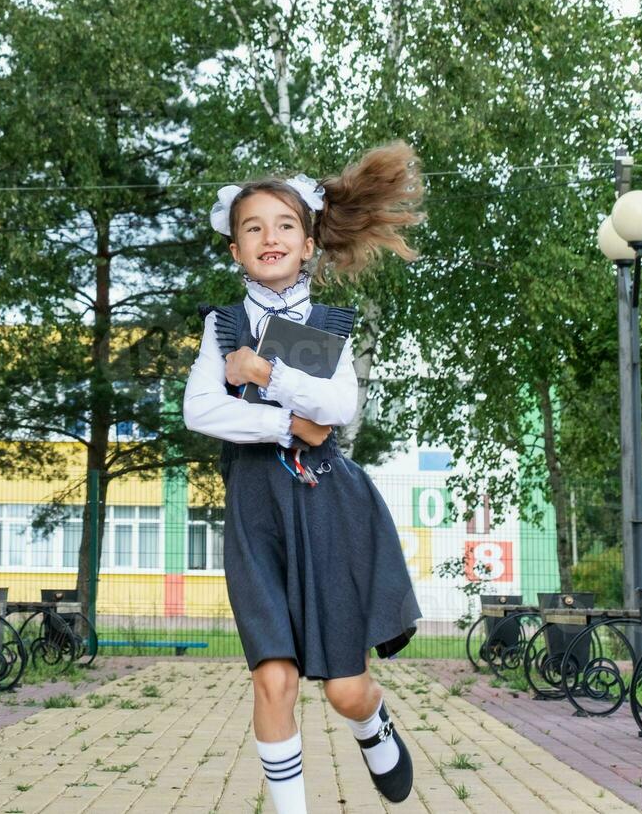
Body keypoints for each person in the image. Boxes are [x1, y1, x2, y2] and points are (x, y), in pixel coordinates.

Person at [183, 142, 428, 812]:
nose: (269, 236)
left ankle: (371, 725)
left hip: (326, 508)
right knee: (273, 679)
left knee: (345, 689)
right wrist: (287, 422)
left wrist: (262, 377)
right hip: (255, 514)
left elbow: (337, 409)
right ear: (234, 249)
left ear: (308, 242)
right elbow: (200, 410)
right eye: (252, 227)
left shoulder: (318, 326)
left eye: (284, 225)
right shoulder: (222, 326)